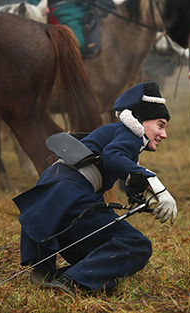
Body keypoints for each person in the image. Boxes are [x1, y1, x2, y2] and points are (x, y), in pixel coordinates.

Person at [13, 82, 178, 295]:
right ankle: (70, 282)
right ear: (140, 122)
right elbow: (113, 156)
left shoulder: (117, 133)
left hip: (53, 201)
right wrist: (155, 183)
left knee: (105, 253)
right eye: (160, 125)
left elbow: (120, 168)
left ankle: (50, 274)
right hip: (69, 198)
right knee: (137, 245)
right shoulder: (131, 134)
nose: (163, 134)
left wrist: (145, 194)